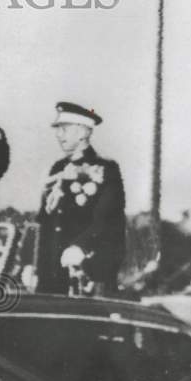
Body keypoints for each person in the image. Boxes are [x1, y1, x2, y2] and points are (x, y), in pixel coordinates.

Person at [36, 102, 126, 296]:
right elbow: (44, 221)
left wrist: (81, 246)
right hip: (51, 276)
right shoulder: (57, 169)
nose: (58, 135)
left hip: (87, 274)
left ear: (83, 132)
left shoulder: (105, 169)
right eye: (58, 129)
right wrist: (30, 262)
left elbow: (106, 219)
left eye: (64, 129)